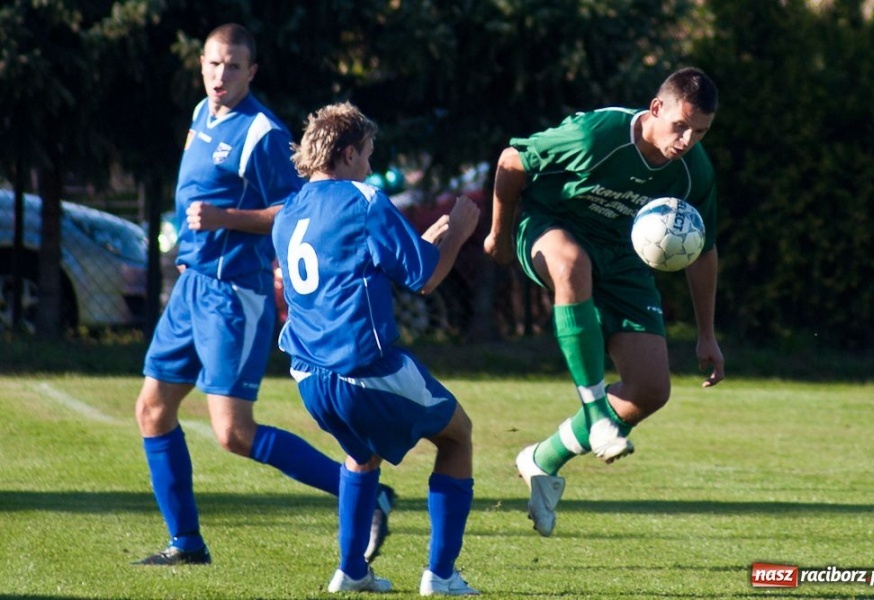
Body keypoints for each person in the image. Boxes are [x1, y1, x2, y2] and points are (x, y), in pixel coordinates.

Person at [133, 24, 393, 566]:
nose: (220, 75)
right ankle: (186, 543)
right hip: (192, 287)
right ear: (200, 64)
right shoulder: (204, 115)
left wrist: (225, 217)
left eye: (232, 66)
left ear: (251, 71)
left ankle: (369, 497)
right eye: (212, 64)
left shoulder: (263, 133)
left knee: (233, 433)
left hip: (234, 295)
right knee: (153, 410)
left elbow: (297, 207)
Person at [483, 67, 726, 537]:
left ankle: (540, 460)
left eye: (700, 132)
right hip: (551, 227)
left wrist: (707, 335)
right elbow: (512, 161)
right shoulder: (597, 136)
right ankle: (596, 415)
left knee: (651, 389)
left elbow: (703, 250)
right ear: (656, 109)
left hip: (623, 260)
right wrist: (499, 232)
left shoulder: (694, 172)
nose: (687, 140)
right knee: (572, 265)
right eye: (681, 126)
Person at [273, 102, 481, 595]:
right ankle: (442, 575)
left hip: (308, 375)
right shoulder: (364, 199)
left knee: (361, 455)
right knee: (457, 436)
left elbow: (360, 268)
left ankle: (352, 570)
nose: (369, 164)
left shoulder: (288, 212)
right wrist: (460, 232)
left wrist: (427, 240)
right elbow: (428, 277)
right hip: (365, 369)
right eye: (366, 153)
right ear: (347, 154)